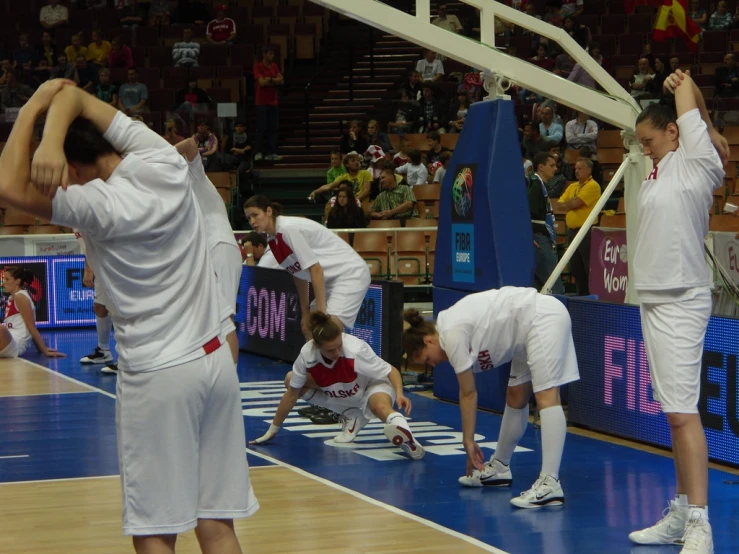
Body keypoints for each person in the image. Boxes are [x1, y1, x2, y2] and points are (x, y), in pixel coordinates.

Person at [0, 80, 258, 551]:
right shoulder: (162, 160)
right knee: (217, 522)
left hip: (160, 376)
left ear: (72, 168)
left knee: (154, 528)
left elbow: (7, 185)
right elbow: (73, 95)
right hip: (217, 361)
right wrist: (53, 122)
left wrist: (33, 111)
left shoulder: (99, 205)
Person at [627, 70, 729, 554]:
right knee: (673, 415)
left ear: (674, 131)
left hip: (682, 299)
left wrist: (682, 83)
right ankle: (683, 510)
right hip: (654, 300)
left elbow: (688, 91)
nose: (642, 147)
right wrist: (709, 122)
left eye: (648, 139)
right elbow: (702, 123)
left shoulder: (696, 163)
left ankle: (701, 525)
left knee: (684, 416)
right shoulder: (660, 167)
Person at [402, 288, 580, 507]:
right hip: (524, 331)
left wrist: (468, 440)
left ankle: (550, 482)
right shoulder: (449, 327)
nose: (432, 365)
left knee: (546, 396)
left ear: (429, 341)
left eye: (427, 359)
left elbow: (468, 392)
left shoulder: (452, 334)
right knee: (515, 395)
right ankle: (500, 467)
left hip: (542, 318)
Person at [250, 311, 425, 460]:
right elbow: (291, 394)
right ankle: (351, 414)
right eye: (330, 350)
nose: (337, 352)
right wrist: (272, 430)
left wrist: (400, 393)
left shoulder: (355, 350)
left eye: (339, 346)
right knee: (291, 380)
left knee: (380, 407)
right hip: (342, 389)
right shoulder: (307, 355)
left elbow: (390, 370)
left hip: (372, 385)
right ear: (317, 346)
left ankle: (411, 442)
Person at [244, 195, 371, 340]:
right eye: (248, 218)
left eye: (255, 215)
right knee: (308, 329)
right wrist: (305, 313)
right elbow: (298, 273)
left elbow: (316, 269)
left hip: (349, 274)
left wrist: (322, 313)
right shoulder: (272, 239)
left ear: (268, 211)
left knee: (326, 331)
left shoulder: (288, 229)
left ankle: (359, 361)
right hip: (329, 281)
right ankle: (317, 362)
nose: (252, 222)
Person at [175, 137, 242, 363]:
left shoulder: (197, 177)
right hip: (206, 253)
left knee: (224, 318)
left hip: (221, 246)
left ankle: (230, 376)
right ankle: (215, 367)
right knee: (210, 315)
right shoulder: (179, 195)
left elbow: (190, 144)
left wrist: (161, 155)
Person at [556, 158, 601, 296]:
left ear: (589, 170)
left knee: (588, 265)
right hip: (572, 231)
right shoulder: (572, 186)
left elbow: (573, 203)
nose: (576, 171)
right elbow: (559, 204)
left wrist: (570, 204)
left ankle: (592, 294)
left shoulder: (593, 186)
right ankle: (581, 294)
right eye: (575, 168)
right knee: (576, 265)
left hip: (586, 231)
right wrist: (571, 203)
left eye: (580, 168)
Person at [76, 230, 117, 373]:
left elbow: (93, 243)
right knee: (100, 306)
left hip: (114, 264)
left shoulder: (85, 214)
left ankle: (126, 358)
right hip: (100, 265)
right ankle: (103, 351)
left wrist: (88, 270)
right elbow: (88, 247)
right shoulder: (73, 221)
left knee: (116, 308)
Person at [0, 266, 64, 359]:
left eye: (7, 279)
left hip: (16, 343)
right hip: (9, 339)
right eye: (3, 279)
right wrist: (40, 349)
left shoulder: (21, 297)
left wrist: (44, 349)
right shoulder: (12, 298)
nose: (3, 283)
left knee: (1, 329)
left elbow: (31, 327)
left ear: (17, 281)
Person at [528, 152, 565, 294]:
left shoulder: (539, 184)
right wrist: (529, 236)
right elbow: (526, 212)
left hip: (539, 238)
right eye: (552, 165)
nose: (555, 169)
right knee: (555, 286)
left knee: (539, 288)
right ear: (541, 167)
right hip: (539, 239)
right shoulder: (535, 185)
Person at [253, 46, 283, 162]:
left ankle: (271, 152)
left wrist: (269, 80)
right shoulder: (258, 66)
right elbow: (261, 82)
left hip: (273, 101)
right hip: (261, 102)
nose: (272, 56)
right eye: (270, 53)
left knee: (273, 128)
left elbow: (281, 80)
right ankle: (258, 152)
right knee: (262, 127)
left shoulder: (274, 66)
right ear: (264, 54)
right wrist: (273, 80)